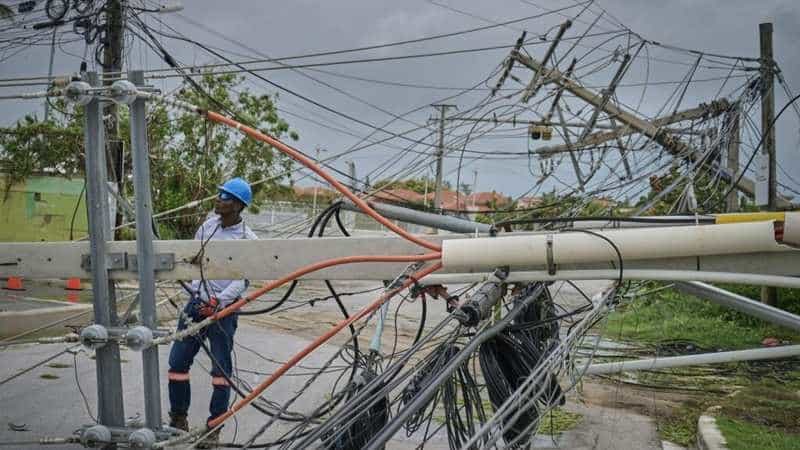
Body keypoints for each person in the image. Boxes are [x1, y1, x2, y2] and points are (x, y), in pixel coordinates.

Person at [167, 177, 257, 447]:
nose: (218, 199)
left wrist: (218, 301)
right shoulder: (207, 226)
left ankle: (213, 429)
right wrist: (198, 295)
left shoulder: (247, 239)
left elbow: (244, 278)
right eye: (219, 194)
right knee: (177, 363)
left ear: (239, 205)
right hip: (197, 305)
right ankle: (178, 419)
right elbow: (195, 262)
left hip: (225, 311)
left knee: (220, 370)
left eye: (225, 197)